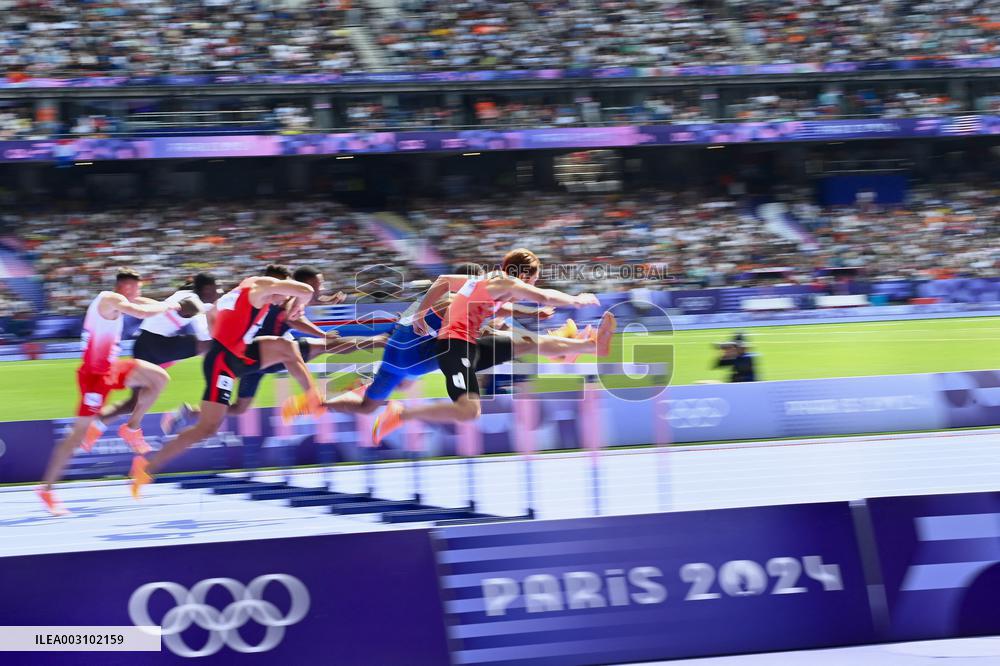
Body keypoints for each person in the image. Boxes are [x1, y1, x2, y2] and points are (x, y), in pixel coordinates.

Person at [370, 249, 613, 443]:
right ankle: (402, 414)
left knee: (526, 343)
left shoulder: (485, 283)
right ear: (523, 276)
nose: (532, 286)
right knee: (468, 411)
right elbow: (544, 297)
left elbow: (444, 281)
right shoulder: (506, 282)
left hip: (469, 346)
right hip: (454, 350)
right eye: (533, 281)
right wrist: (576, 300)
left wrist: (421, 314)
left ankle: (589, 346)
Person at [129, 272, 323, 498]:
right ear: (279, 286)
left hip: (238, 355)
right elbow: (306, 291)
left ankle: (312, 398)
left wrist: (223, 336)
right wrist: (297, 306)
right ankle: (146, 468)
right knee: (206, 428)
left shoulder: (244, 289)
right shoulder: (261, 287)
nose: (281, 304)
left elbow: (213, 312)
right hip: (223, 363)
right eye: (282, 299)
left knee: (286, 348)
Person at [38, 269, 180, 515]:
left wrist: (169, 303)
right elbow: (141, 311)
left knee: (158, 378)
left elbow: (143, 303)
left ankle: (131, 428)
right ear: (127, 287)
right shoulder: (109, 299)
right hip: (93, 377)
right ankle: (47, 489)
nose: (140, 293)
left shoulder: (120, 299)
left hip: (112, 368)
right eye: (137, 288)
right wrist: (169, 307)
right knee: (75, 437)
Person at [85, 273, 221, 444]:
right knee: (209, 345)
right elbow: (204, 336)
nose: (218, 294)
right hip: (157, 345)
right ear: (207, 289)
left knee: (134, 403)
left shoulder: (182, 296)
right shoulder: (192, 300)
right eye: (217, 290)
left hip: (143, 345)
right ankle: (133, 427)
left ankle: (92, 428)